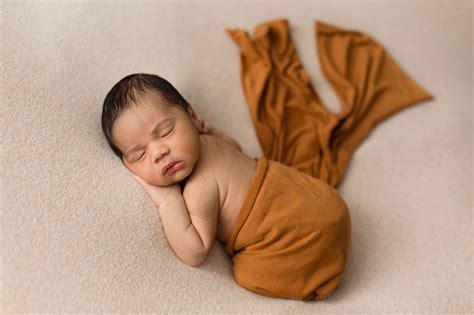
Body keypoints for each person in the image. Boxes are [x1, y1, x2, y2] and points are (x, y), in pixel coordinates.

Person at [101, 73, 352, 301]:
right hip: (329, 205)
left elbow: (195, 250)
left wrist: (166, 201)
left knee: (246, 274)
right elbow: (236, 148)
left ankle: (319, 275)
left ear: (192, 117)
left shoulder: (199, 189)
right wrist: (213, 132)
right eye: (139, 155)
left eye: (166, 132)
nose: (158, 152)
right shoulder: (212, 141)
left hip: (294, 235)